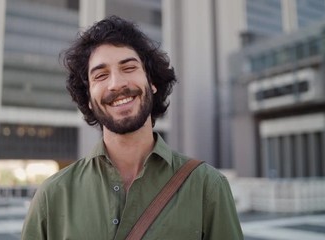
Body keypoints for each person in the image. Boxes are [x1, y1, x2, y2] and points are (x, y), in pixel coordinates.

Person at [21, 15, 243, 240]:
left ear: (152, 83)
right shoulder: (51, 196)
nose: (116, 83)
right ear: (88, 99)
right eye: (101, 75)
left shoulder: (208, 187)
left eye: (129, 68)